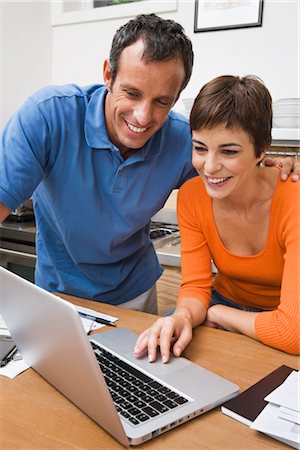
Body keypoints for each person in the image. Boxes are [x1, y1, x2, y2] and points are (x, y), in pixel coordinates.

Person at [0, 15, 298, 313]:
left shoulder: (184, 141)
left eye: (161, 102)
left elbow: (235, 172)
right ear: (108, 74)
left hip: (134, 295)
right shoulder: (47, 116)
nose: (143, 117)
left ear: (177, 97)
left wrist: (276, 167)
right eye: (132, 93)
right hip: (57, 294)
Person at [134, 75, 300, 358]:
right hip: (219, 302)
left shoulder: (293, 201)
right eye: (200, 148)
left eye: (229, 151)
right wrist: (183, 316)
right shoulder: (192, 196)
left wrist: (221, 314)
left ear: (261, 149)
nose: (210, 167)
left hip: (279, 315)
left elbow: (292, 333)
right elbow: (196, 287)